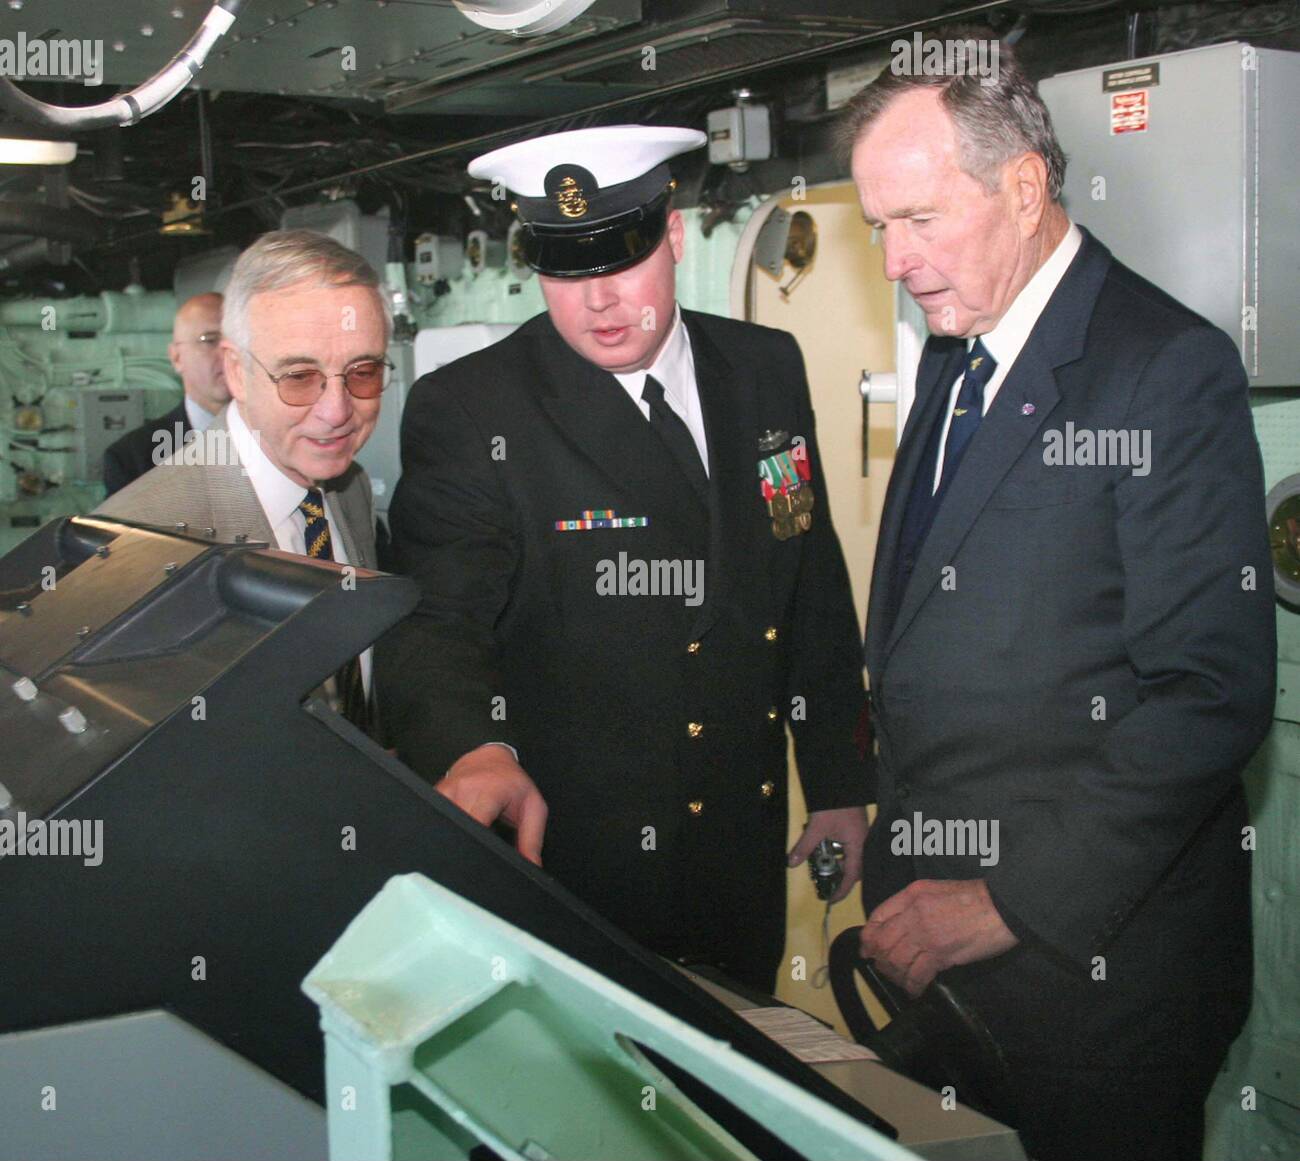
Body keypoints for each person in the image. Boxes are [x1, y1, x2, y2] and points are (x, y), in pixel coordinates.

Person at [843, 35, 1276, 1160]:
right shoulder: (955, 350)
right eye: (875, 226)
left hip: (1095, 983)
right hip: (948, 966)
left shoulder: (1160, 368)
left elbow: (1208, 695)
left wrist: (1000, 902)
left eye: (919, 219)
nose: (894, 260)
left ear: (1024, 187)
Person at [378, 125, 874, 993]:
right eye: (566, 269)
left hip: (737, 845)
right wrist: (473, 747)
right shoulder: (473, 407)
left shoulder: (763, 367)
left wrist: (836, 778)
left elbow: (809, 580)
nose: (598, 300)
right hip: (580, 856)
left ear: (674, 238)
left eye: (620, 260)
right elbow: (437, 619)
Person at [98, 229, 390, 728]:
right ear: (235, 371)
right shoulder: (140, 542)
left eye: (362, 372)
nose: (337, 412)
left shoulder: (350, 488)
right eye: (299, 377)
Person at [102, 291, 231, 494]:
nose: (227, 352)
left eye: (235, 340)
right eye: (210, 340)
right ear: (177, 357)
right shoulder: (133, 459)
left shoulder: (282, 437)